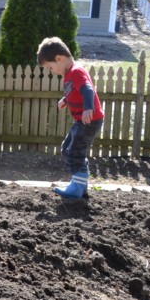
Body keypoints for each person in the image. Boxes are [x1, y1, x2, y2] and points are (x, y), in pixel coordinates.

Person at [37, 37, 104, 199]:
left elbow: (87, 89)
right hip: (82, 120)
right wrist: (66, 100)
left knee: (74, 151)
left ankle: (77, 187)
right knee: (67, 148)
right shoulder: (69, 74)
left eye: (50, 67)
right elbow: (75, 91)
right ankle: (80, 185)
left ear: (59, 58)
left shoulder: (76, 71)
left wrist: (88, 108)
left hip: (89, 119)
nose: (52, 71)